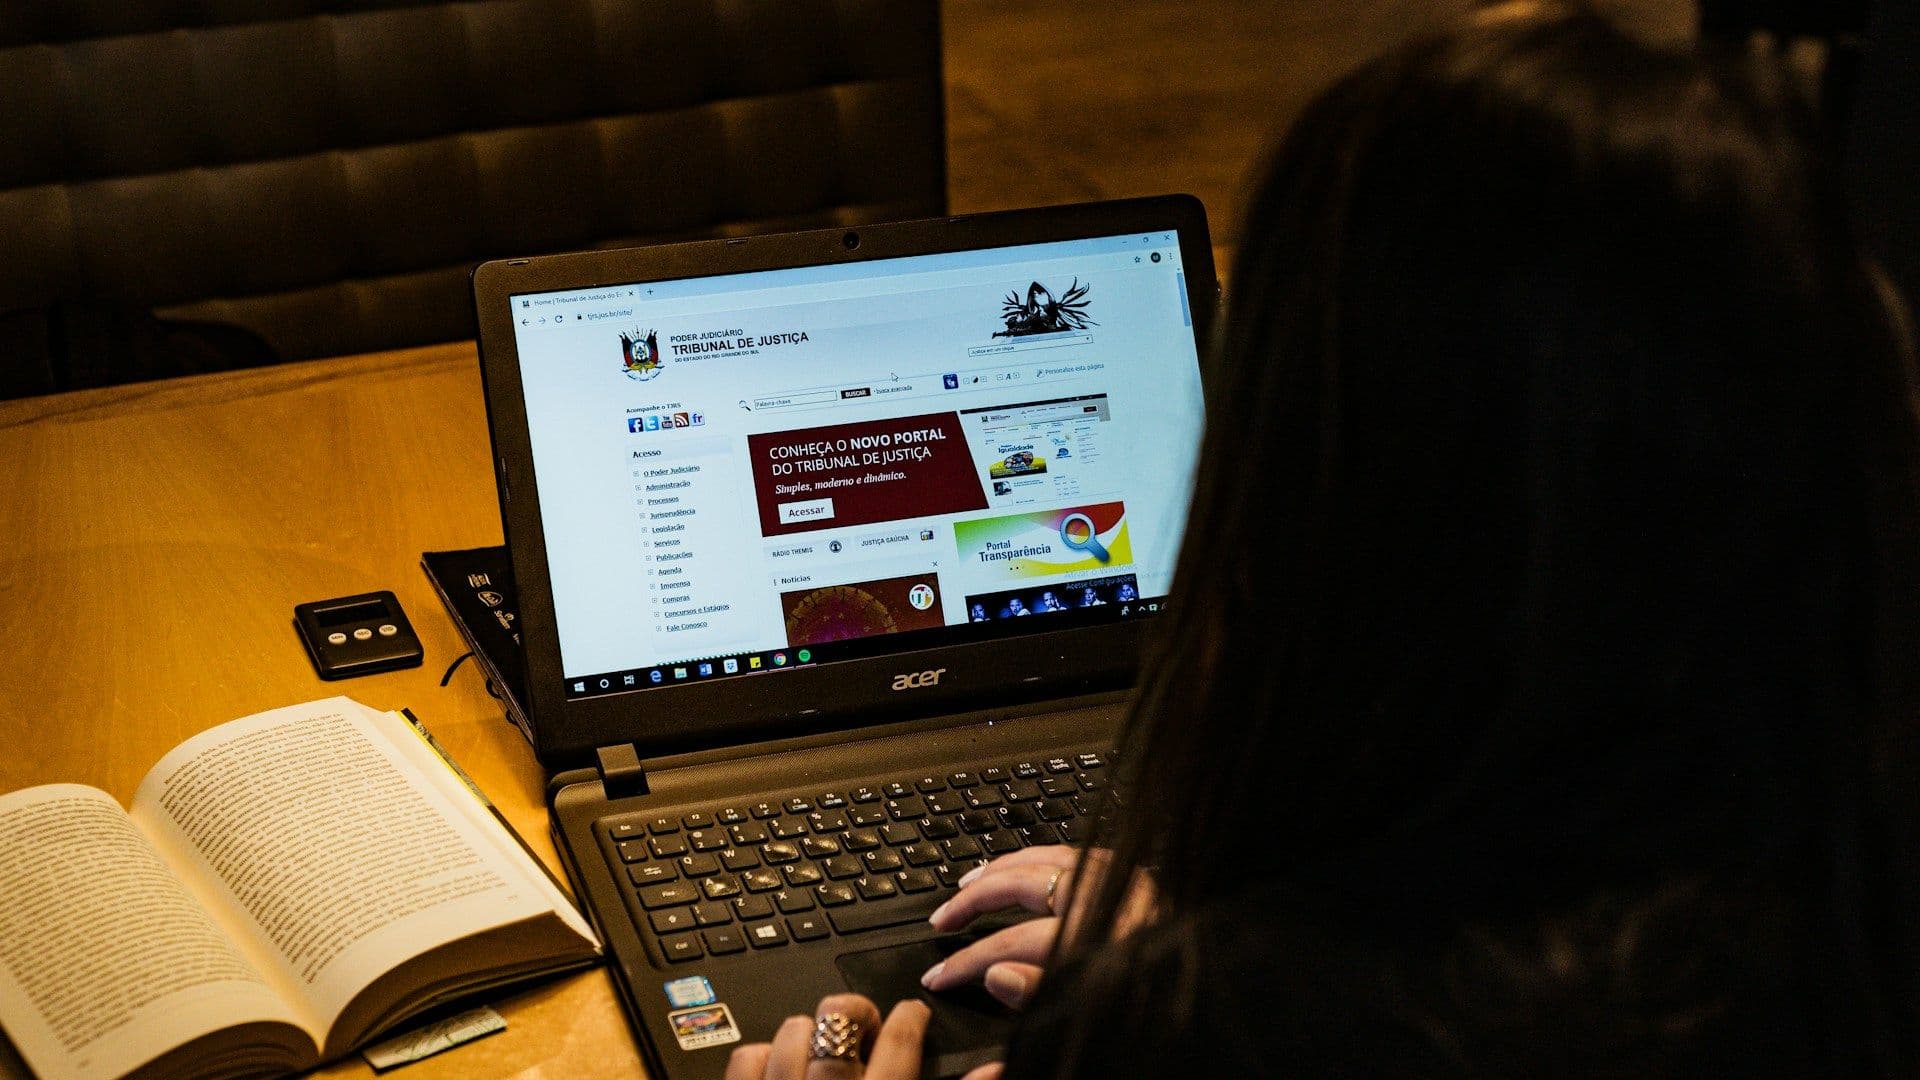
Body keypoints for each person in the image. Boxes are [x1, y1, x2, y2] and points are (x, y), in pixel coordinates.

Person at [726, 3, 1920, 1077]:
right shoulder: (1825, 916)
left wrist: (1222, 973)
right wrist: (1216, 928)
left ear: (1320, 494)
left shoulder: (1225, 1037)